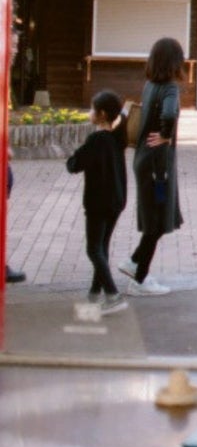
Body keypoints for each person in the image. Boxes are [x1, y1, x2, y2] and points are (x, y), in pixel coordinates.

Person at [119, 35, 185, 295]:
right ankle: (138, 277)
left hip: (144, 160)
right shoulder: (170, 88)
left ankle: (135, 263)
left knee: (154, 216)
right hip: (159, 168)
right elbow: (168, 113)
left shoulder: (149, 85)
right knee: (157, 218)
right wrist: (167, 135)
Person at [66, 89, 129, 315]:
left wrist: (75, 154)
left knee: (93, 249)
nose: (89, 112)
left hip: (98, 202)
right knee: (102, 246)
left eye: (92, 109)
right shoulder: (116, 138)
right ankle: (94, 294)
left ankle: (112, 295)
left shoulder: (96, 140)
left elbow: (73, 165)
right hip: (117, 201)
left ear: (101, 114)